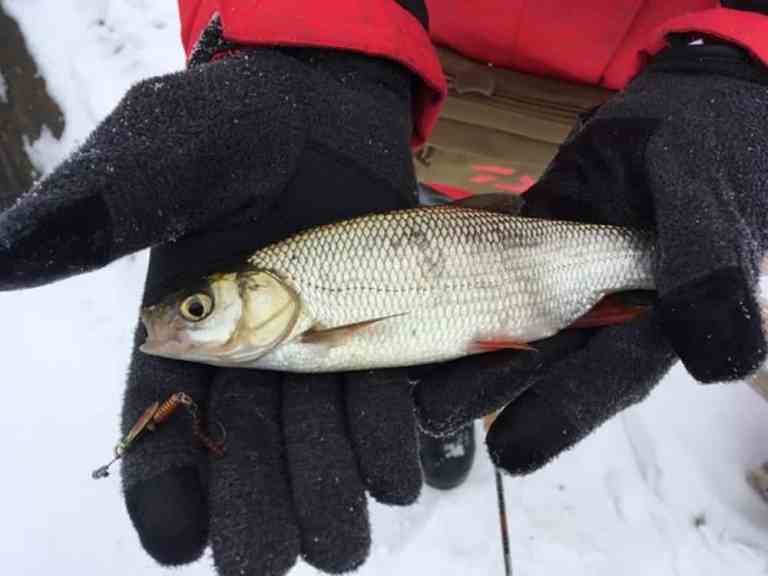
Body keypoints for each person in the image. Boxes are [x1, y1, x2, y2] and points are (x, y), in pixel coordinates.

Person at [2, 1, 767, 575]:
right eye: (196, 310)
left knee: (660, 222)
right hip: (399, 68)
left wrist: (745, 55)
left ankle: (448, 377)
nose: (186, 317)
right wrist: (317, 25)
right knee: (411, 192)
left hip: (663, 93)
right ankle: (446, 378)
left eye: (198, 309)